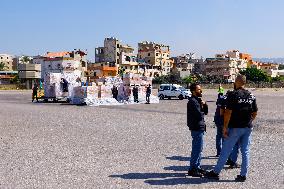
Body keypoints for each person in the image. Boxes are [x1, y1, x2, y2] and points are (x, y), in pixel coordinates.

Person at [205, 75, 258, 182]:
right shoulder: (251, 95)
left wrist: (224, 127)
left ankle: (215, 172)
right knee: (245, 151)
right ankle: (243, 175)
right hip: (247, 127)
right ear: (245, 83)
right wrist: (250, 121)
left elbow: (228, 113)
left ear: (235, 82)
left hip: (235, 127)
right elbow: (255, 112)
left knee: (226, 150)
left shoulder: (233, 95)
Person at [214, 91, 240, 168]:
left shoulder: (221, 98)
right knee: (226, 140)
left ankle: (219, 152)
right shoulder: (228, 100)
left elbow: (219, 110)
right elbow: (223, 113)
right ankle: (229, 158)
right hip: (223, 122)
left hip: (217, 120)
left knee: (219, 136)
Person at [187, 83, 208, 177]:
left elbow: (205, 113)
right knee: (196, 149)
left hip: (200, 127)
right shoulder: (192, 101)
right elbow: (199, 115)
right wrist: (202, 106)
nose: (201, 91)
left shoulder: (197, 100)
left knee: (200, 149)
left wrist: (205, 105)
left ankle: (197, 166)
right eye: (199, 89)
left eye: (200, 89)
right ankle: (192, 169)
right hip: (196, 127)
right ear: (193, 91)